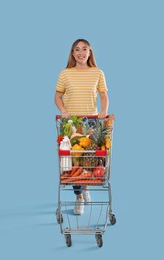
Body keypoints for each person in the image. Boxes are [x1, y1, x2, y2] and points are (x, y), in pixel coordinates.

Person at [54, 39, 109, 215]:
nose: (81, 53)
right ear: (72, 53)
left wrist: (104, 111)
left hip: (91, 123)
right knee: (72, 162)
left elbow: (103, 95)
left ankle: (85, 189)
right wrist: (63, 110)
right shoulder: (65, 74)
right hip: (71, 124)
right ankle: (79, 198)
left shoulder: (98, 73)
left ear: (90, 52)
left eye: (84, 49)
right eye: (77, 49)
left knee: (88, 160)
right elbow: (57, 96)